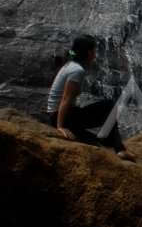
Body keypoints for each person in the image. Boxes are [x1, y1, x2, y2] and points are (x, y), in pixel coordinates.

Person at [45, 34, 135, 162]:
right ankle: (118, 148)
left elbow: (69, 96)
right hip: (61, 117)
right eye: (94, 50)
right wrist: (59, 126)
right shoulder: (77, 70)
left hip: (65, 114)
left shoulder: (71, 64)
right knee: (108, 105)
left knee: (108, 110)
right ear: (88, 52)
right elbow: (66, 99)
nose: (95, 54)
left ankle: (115, 146)